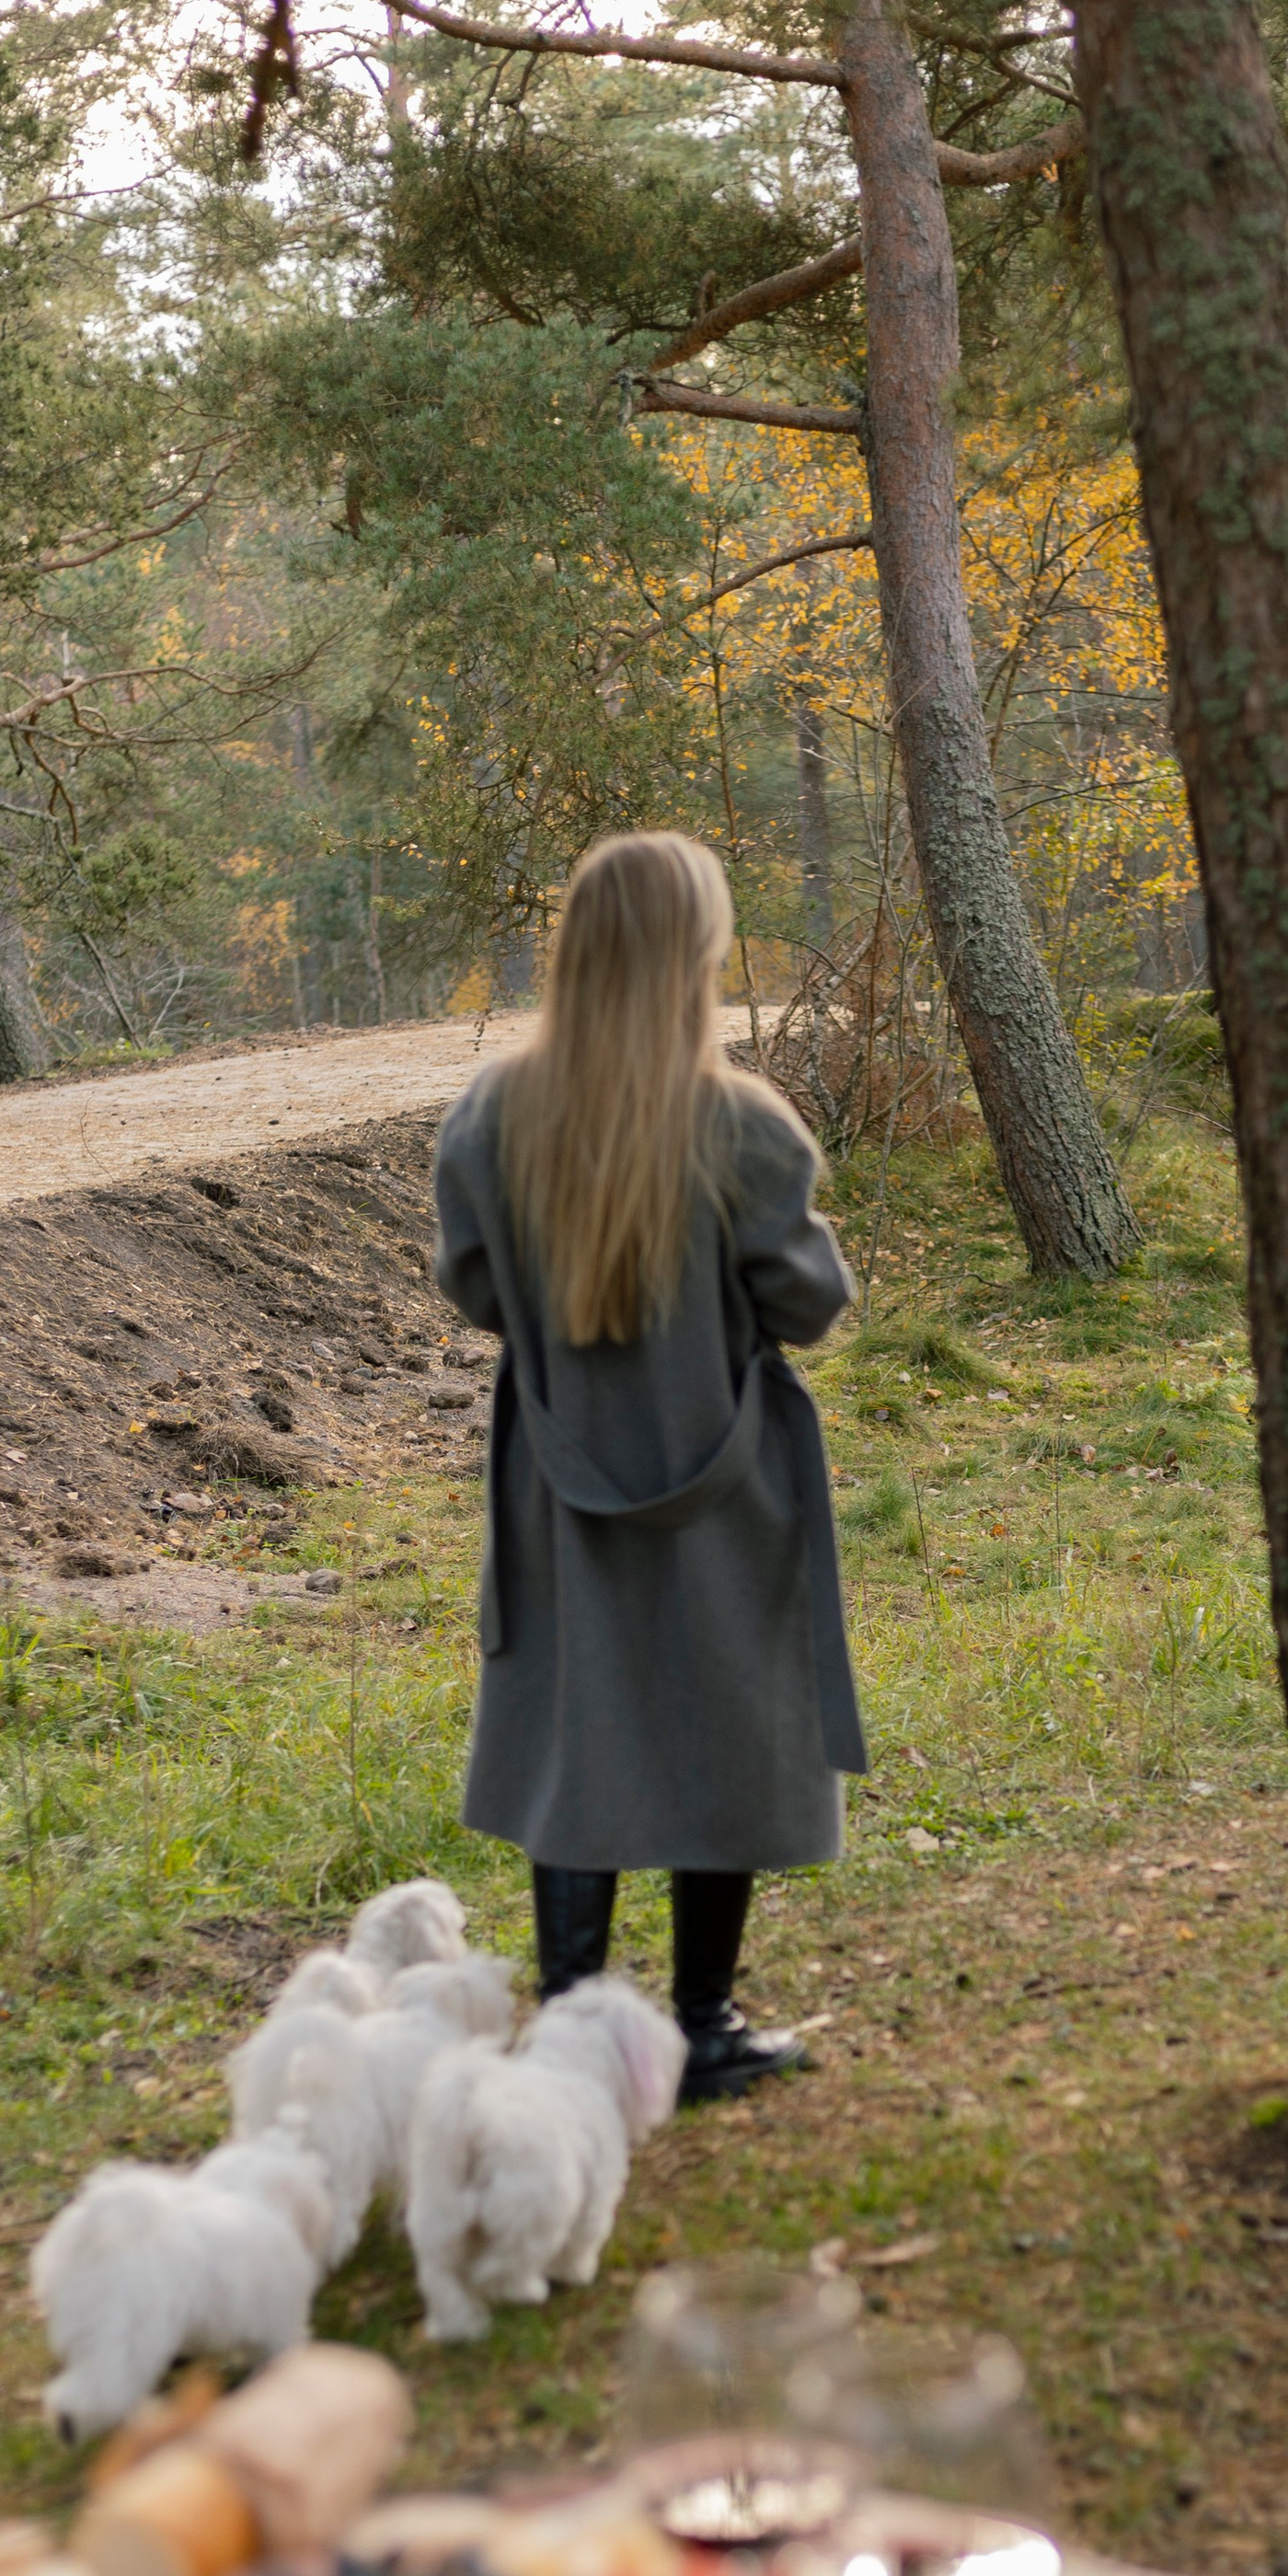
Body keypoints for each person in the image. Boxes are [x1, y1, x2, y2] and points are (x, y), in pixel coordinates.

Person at [432, 830, 866, 2106]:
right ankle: (703, 2029)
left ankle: (575, 2033)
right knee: (718, 1726)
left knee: (582, 1730)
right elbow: (809, 1302)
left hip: (558, 1480)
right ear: (696, 951)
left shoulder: (492, 1115)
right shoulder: (740, 1124)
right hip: (723, 1482)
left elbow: (472, 1286)